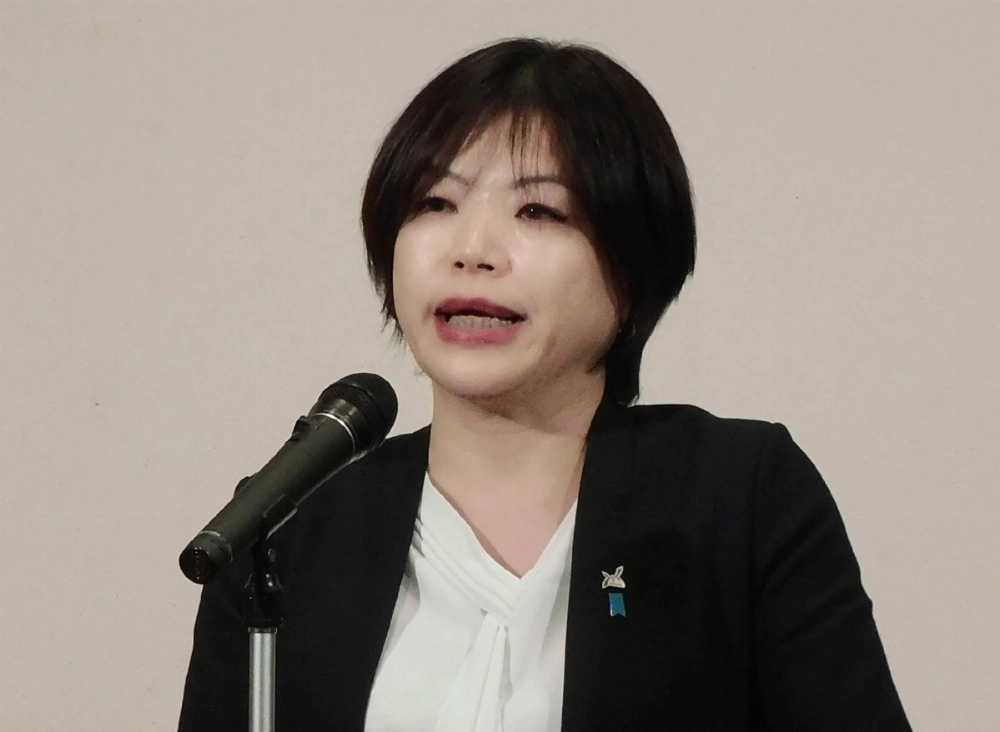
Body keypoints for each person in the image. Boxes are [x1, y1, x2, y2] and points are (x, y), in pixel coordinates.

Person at [178, 38, 911, 731]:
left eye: (539, 211)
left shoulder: (737, 497)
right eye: (435, 203)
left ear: (633, 270)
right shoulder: (290, 529)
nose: (472, 249)